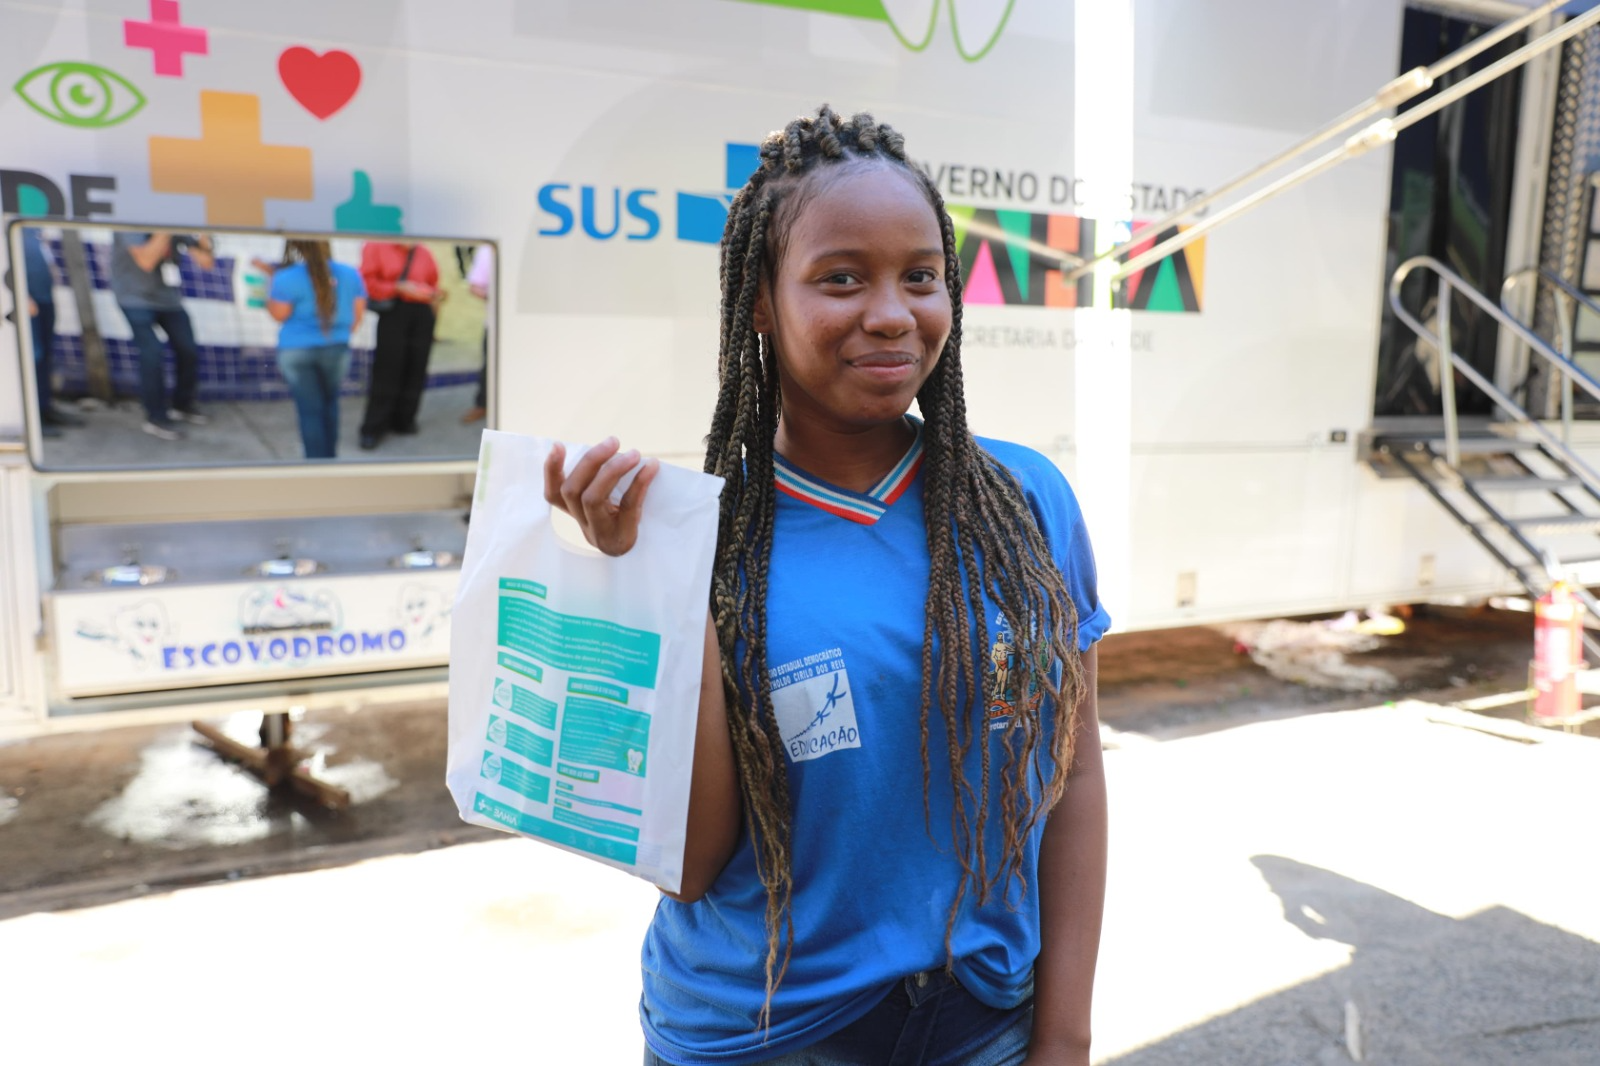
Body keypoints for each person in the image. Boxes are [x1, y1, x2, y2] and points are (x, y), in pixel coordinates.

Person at [544, 107, 1111, 1066]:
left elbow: (1076, 777)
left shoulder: (1026, 504)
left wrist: (1062, 1039)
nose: (892, 312)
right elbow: (688, 864)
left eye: (920, 276)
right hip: (766, 1037)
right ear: (760, 300)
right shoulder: (694, 534)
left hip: (985, 1023)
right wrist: (653, 585)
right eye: (841, 277)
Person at [265, 240, 367, 459]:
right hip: (337, 349)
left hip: (296, 352)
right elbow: (357, 317)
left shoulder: (286, 277)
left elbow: (278, 314)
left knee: (310, 410)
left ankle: (316, 465)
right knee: (330, 404)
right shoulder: (350, 274)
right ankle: (329, 459)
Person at [110, 230, 214, 441]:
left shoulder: (178, 225)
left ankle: (182, 405)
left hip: (168, 299)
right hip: (134, 298)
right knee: (152, 354)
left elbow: (206, 262)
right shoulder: (130, 225)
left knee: (188, 350)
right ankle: (155, 417)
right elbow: (146, 261)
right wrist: (165, 229)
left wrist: (204, 236)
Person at [357, 240, 440, 449]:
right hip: (394, 311)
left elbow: (434, 284)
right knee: (387, 369)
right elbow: (366, 283)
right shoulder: (376, 247)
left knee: (417, 368)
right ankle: (374, 427)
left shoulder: (424, 251)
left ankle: (405, 420)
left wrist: (431, 297)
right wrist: (397, 287)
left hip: (422, 313)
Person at [19, 229, 84, 439]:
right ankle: (32, 418)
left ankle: (45, 408)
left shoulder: (31, 226)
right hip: (24, 300)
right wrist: (20, 295)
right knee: (33, 357)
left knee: (45, 354)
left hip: (44, 296)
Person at [461, 243, 493, 424]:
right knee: (490, 367)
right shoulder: (488, 250)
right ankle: (483, 405)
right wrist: (500, 296)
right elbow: (475, 287)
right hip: (497, 325)